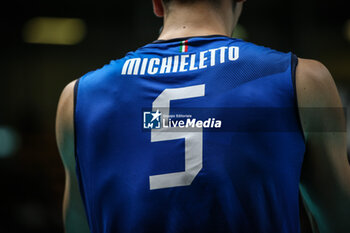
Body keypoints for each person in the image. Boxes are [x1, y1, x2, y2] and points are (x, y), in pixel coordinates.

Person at [55, 0, 350, 232]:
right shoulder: (304, 80)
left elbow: (79, 226)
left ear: (157, 3)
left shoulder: (77, 99)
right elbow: (340, 220)